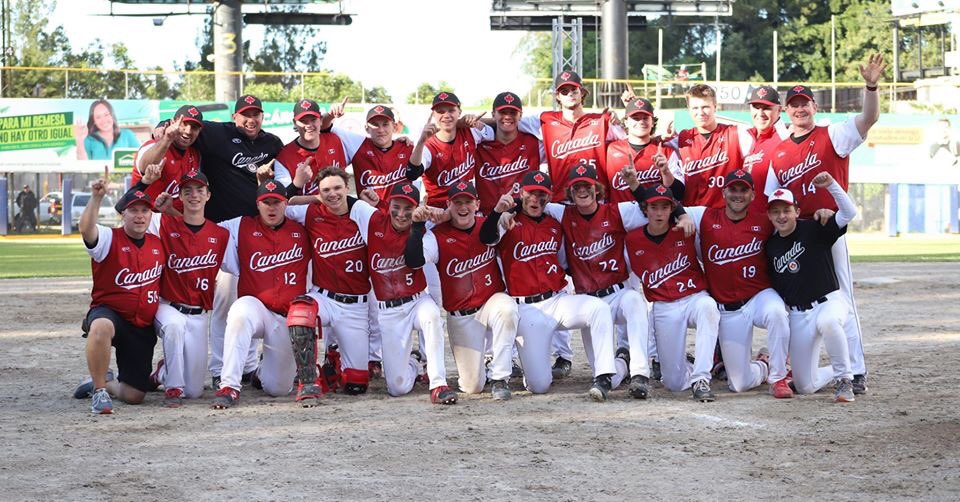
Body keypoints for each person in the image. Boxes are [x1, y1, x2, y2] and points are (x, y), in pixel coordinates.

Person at [765, 54, 887, 395]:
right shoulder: (778, 153)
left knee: (841, 299)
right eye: (794, 104)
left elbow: (868, 118)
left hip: (828, 230)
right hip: (796, 234)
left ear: (814, 106)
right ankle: (805, 366)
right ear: (786, 111)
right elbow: (772, 197)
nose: (800, 109)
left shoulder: (832, 134)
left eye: (805, 103)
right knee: (799, 302)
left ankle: (856, 370)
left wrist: (871, 87)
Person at [480, 171, 624, 401]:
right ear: (522, 194)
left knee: (598, 308)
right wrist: (499, 212)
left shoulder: (555, 225)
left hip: (557, 300)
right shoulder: (508, 221)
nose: (536, 200)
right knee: (539, 386)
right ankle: (529, 370)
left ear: (549, 198)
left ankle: (604, 374)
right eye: (531, 194)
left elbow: (565, 263)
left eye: (542, 195)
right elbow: (486, 238)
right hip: (527, 309)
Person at [187, 94, 284, 391]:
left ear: (262, 116)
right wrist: (162, 128)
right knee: (225, 301)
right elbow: (184, 124)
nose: (251, 119)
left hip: (257, 232)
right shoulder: (218, 134)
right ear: (235, 116)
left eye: (256, 114)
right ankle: (220, 368)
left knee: (255, 299)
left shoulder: (273, 144)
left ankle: (249, 366)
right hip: (225, 231)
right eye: (245, 114)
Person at [542, 164, 663, 399]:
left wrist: (634, 184)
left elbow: (648, 206)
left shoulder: (616, 211)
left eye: (587, 186)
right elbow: (532, 202)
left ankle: (640, 374)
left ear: (597, 189)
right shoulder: (564, 213)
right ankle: (622, 364)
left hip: (618, 293)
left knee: (635, 301)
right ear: (570, 192)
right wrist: (505, 211)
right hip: (589, 303)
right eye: (577, 187)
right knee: (608, 376)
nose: (582, 191)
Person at [680, 169, 792, 397]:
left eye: (744, 190)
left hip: (758, 296)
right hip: (728, 308)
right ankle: (765, 365)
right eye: (733, 189)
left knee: (777, 313)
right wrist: (682, 216)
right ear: (724, 192)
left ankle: (779, 377)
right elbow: (672, 206)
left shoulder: (764, 220)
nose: (738, 195)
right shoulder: (705, 216)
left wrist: (823, 215)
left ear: (753, 195)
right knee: (739, 384)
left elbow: (792, 225)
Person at [405, 181, 519, 400]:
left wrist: (504, 212)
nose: (463, 207)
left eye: (468, 202)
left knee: (507, 309)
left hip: (491, 302)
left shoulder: (489, 224)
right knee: (472, 386)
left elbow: (514, 216)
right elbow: (414, 261)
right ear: (449, 205)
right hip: (461, 315)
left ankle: (500, 378)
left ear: (477, 204)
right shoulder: (437, 236)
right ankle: (482, 368)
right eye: (457, 202)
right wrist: (417, 226)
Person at [349, 182, 457, 405]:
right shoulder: (372, 219)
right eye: (396, 207)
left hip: (417, 301)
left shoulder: (424, 232)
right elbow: (337, 199)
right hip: (389, 311)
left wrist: (421, 223)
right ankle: (415, 362)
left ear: (417, 208)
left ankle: (439, 384)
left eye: (408, 208)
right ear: (388, 205)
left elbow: (414, 260)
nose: (401, 214)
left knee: (432, 315)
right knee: (397, 388)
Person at [211, 179, 312, 409]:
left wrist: (315, 198)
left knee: (278, 389)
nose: (271, 208)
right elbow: (200, 228)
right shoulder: (240, 226)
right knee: (240, 311)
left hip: (286, 317)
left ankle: (259, 373)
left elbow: (330, 208)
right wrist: (171, 211)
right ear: (257, 204)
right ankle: (229, 385)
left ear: (286, 204)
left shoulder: (302, 229)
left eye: (276, 202)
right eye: (266, 202)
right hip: (255, 308)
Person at [71, 182, 165, 414]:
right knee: (101, 326)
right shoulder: (108, 238)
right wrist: (96, 198)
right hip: (110, 311)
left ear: (150, 215)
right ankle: (100, 391)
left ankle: (106, 382)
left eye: (145, 210)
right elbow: (86, 229)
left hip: (141, 325)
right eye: (133, 210)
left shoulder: (158, 243)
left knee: (134, 396)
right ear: (123, 214)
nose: (140, 216)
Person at [765, 172, 858, 403]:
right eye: (775, 211)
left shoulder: (815, 228)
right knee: (805, 386)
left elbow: (849, 213)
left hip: (829, 302)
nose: (781, 216)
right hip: (798, 315)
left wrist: (832, 186)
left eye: (786, 210)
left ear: (797, 211)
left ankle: (845, 379)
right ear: (769, 215)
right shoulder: (770, 247)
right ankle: (838, 370)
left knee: (828, 322)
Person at [139, 170, 229, 408]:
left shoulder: (220, 234)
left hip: (199, 314)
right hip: (167, 305)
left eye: (199, 190)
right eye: (187, 191)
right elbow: (127, 210)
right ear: (179, 196)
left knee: (195, 392)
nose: (194, 195)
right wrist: (154, 202)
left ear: (208, 195)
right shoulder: (163, 223)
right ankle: (173, 388)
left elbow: (237, 268)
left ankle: (162, 372)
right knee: (174, 326)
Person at [623, 183, 720, 402]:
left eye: (665, 207)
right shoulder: (632, 240)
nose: (659, 213)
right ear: (645, 209)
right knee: (673, 383)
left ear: (672, 209)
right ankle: (690, 367)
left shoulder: (686, 230)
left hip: (694, 297)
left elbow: (711, 259)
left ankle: (701, 379)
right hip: (663, 305)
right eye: (654, 207)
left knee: (708, 307)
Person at [285, 167, 376, 395]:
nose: (332, 194)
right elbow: (280, 204)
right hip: (324, 296)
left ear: (347, 188)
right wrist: (311, 197)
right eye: (326, 190)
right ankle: (308, 381)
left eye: (337, 188)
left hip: (356, 305)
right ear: (318, 192)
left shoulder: (362, 211)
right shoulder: (310, 212)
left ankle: (334, 360)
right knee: (300, 311)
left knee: (356, 384)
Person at [518, 70, 626, 202]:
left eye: (574, 90)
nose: (570, 94)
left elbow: (631, 138)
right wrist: (491, 123)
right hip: (561, 201)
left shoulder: (602, 121)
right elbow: (510, 121)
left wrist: (624, 118)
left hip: (596, 199)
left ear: (582, 92)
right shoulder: (545, 120)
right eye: (564, 91)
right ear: (557, 96)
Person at [406, 92, 495, 208]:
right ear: (433, 114)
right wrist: (421, 142)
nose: (446, 115)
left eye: (451, 110)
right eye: (441, 111)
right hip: (438, 210)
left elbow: (496, 129)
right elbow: (412, 173)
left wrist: (472, 121)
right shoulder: (428, 143)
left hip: (466, 206)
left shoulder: (471, 131)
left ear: (460, 112)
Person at [474, 91, 542, 215]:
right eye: (503, 112)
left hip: (522, 215)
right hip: (488, 217)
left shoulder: (534, 143)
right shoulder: (478, 144)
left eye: (513, 113)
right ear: (493, 114)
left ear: (520, 115)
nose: (507, 117)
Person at [603, 98, 682, 204]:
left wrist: (666, 172)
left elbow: (679, 194)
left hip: (655, 213)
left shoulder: (666, 152)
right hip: (619, 213)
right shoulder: (610, 149)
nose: (641, 122)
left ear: (652, 122)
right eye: (635, 118)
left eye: (645, 118)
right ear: (626, 122)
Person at [132, 105, 204, 211]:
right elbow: (145, 168)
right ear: (172, 122)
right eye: (183, 124)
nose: (188, 131)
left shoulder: (195, 154)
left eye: (194, 127)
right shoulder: (153, 145)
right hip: (146, 217)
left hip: (176, 218)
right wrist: (167, 138)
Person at [273, 99, 348, 195]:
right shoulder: (284, 157)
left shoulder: (337, 140)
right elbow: (282, 198)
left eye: (313, 120)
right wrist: (296, 184)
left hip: (339, 204)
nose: (309, 125)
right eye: (303, 121)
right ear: (295, 123)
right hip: (305, 205)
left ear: (321, 120)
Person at [741, 86, 791, 212]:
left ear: (779, 110)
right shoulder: (746, 137)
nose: (760, 113)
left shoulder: (786, 139)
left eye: (767, 108)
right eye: (756, 107)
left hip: (771, 220)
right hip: (745, 219)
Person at [75, 98, 140, 161]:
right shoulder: (89, 140)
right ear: (94, 121)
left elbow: (141, 157)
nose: (104, 120)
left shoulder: (127, 135)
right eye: (98, 117)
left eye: (106, 115)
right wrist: (79, 141)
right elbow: (83, 164)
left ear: (112, 115)